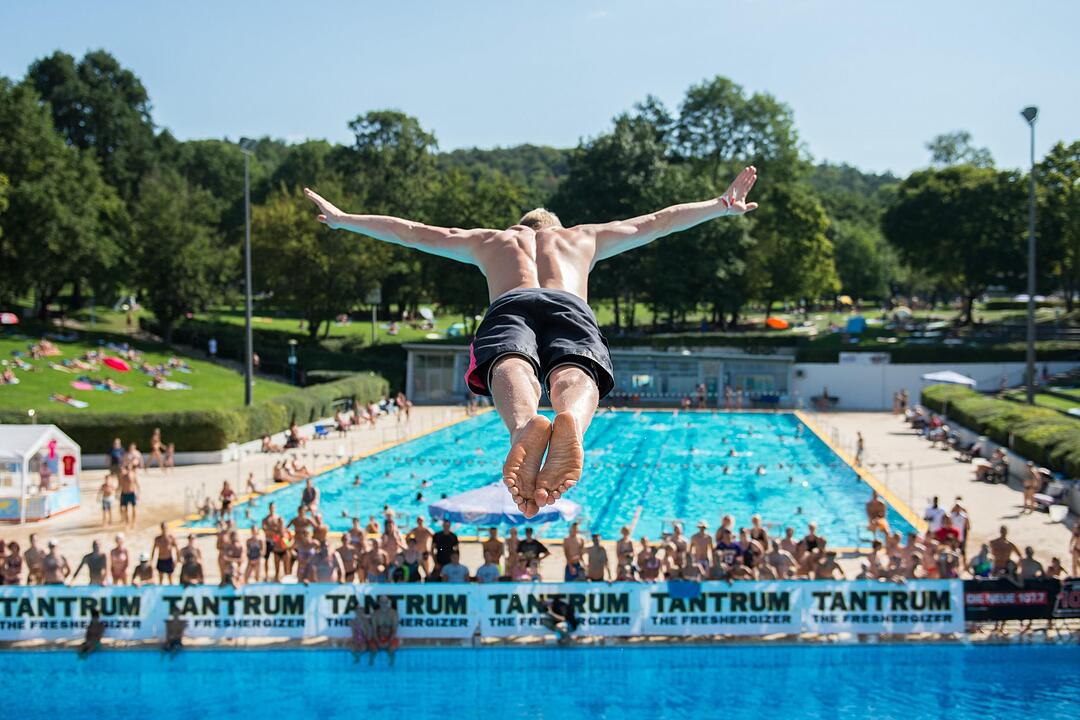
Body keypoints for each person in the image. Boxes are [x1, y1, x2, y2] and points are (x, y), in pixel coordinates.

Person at [305, 168, 759, 516]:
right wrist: (720, 204)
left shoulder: (492, 240)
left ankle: (525, 425)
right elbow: (657, 222)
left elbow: (415, 232)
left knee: (509, 362)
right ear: (556, 227)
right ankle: (571, 420)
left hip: (511, 303)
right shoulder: (582, 237)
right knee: (576, 370)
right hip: (569, 304)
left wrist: (345, 221)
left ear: (518, 227)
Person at [366, 595, 399, 665]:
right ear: (379, 603)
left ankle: (392, 666)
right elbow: (374, 630)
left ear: (388, 602)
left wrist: (388, 642)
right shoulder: (375, 614)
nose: (384, 604)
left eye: (386, 602)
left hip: (390, 638)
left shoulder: (394, 614)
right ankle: (370, 667)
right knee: (373, 650)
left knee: (391, 650)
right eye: (382, 602)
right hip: (377, 638)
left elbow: (394, 630)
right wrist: (378, 642)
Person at [117, 463, 140, 529]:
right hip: (124, 493)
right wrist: (117, 493)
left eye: (130, 468)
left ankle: (134, 522)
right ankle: (127, 522)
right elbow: (120, 485)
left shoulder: (133, 475)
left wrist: (138, 493)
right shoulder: (122, 475)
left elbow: (137, 484)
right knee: (125, 509)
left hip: (132, 493)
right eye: (127, 468)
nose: (128, 469)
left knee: (134, 508)